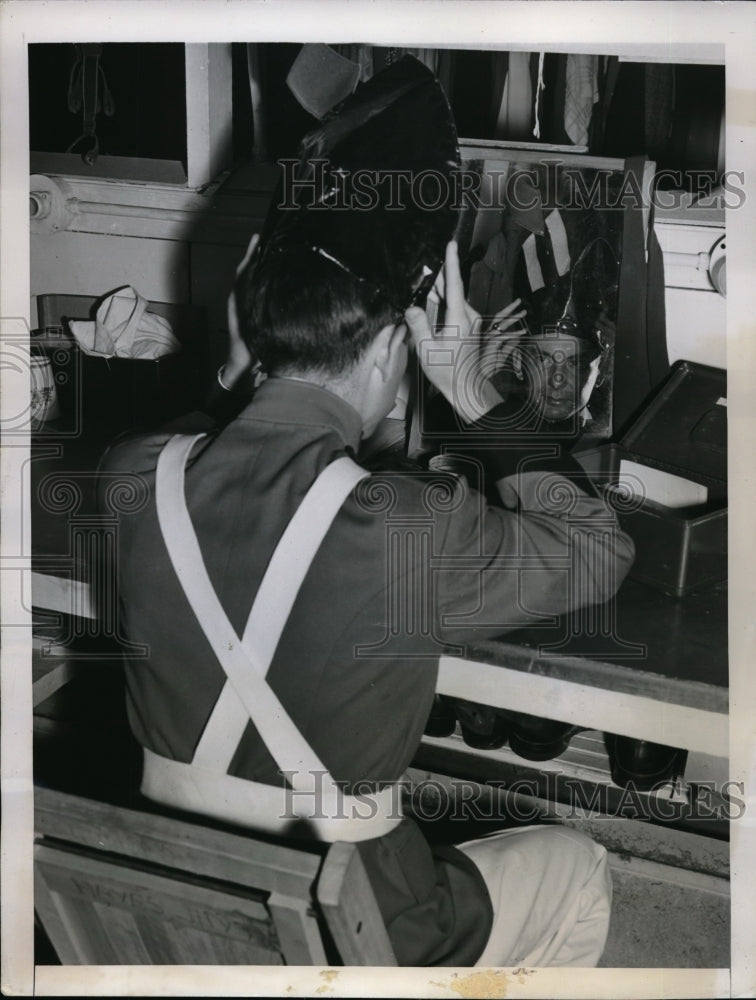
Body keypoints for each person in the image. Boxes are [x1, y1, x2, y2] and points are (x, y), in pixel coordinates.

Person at [100, 58, 635, 967]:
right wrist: (468, 389)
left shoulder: (128, 479)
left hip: (185, 910)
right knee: (580, 868)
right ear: (395, 347)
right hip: (354, 930)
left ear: (250, 322)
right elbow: (596, 548)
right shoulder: (404, 524)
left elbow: (203, 439)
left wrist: (238, 365)